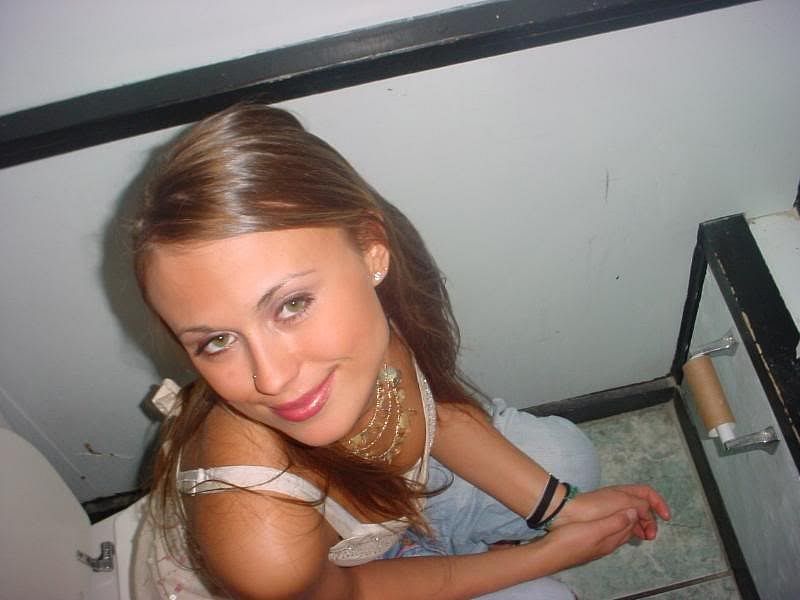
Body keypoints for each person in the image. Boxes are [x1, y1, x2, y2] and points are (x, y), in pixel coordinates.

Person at [130, 102, 670, 600]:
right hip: (333, 580)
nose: (270, 379)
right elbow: (352, 592)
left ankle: (442, 550)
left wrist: (562, 510)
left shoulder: (380, 313)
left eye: (292, 305)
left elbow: (436, 413)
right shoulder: (262, 543)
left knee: (567, 457)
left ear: (372, 253)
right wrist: (548, 555)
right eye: (217, 341)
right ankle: (452, 557)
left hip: (386, 511)